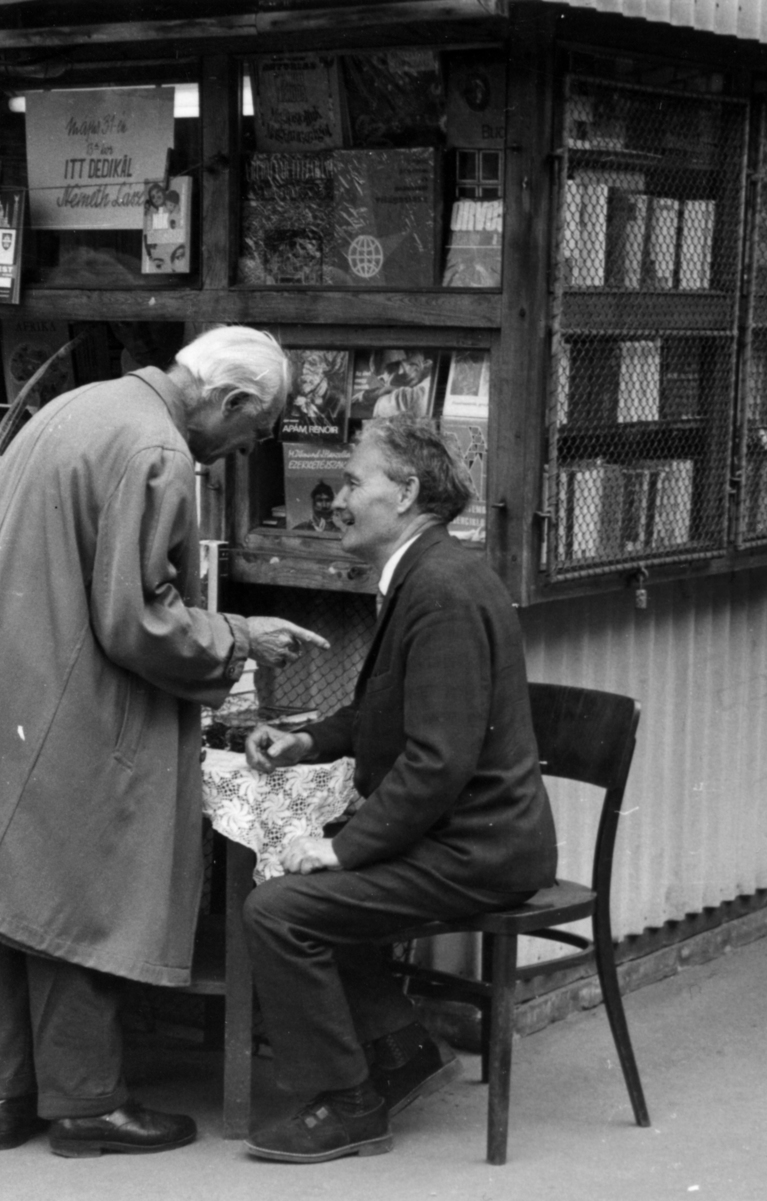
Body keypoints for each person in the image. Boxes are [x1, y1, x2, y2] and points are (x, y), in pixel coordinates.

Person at [0, 325, 330, 1157]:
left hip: (0, 685)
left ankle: (3, 1092)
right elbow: (138, 621)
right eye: (252, 432)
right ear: (231, 400)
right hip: (69, 699)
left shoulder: (81, 408)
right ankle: (86, 1101)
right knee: (80, 893)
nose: (240, 451)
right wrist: (238, 635)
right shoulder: (156, 449)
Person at [237, 415, 557, 1163]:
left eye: (353, 481)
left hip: (479, 849)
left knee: (282, 909)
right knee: (298, 884)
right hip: (463, 834)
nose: (338, 497)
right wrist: (308, 740)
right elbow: (386, 712)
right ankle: (405, 1050)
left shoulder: (439, 590)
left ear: (406, 492)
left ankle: (349, 1102)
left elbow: (437, 762)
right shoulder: (423, 575)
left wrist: (343, 848)